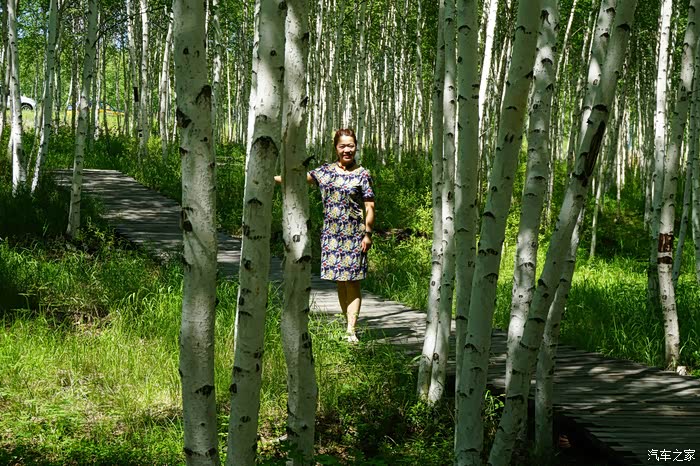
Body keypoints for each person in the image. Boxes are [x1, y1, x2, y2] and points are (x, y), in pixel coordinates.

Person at [275, 128, 375, 342]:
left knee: (352, 281)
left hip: (354, 235)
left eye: (351, 146)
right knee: (340, 281)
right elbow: (297, 179)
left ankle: (351, 329)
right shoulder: (325, 172)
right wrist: (269, 177)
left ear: (356, 147)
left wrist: (367, 234)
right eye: (342, 146)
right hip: (332, 236)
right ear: (336, 148)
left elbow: (369, 206)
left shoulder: (362, 174)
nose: (347, 150)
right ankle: (347, 324)